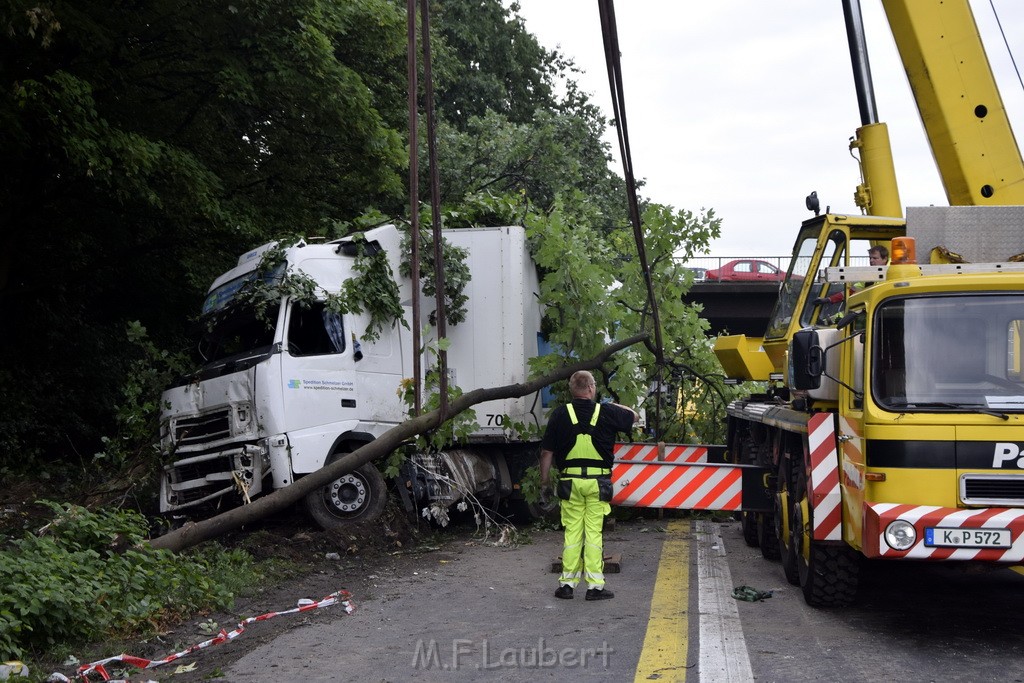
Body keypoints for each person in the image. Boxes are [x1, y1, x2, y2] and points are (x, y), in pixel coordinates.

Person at [539, 370, 639, 601]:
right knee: (593, 533)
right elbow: (633, 416)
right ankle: (595, 587)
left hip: (570, 484)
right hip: (598, 484)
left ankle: (566, 585)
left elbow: (546, 452)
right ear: (592, 389)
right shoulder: (607, 412)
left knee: (573, 533)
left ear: (572, 390)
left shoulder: (560, 414)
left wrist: (544, 483)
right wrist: (613, 404)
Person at [813, 244, 889, 306]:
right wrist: (829, 299)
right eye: (870, 258)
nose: (871, 261)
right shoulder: (869, 276)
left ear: (885, 259)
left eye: (875, 258)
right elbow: (852, 291)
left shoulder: (894, 272)